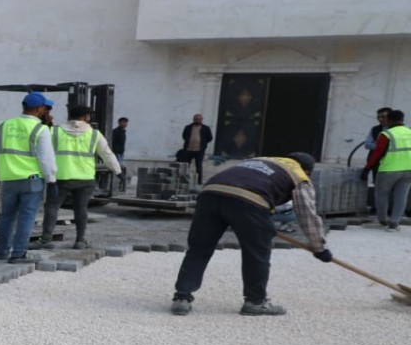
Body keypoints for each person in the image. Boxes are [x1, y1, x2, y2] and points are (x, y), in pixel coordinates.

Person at [170, 152, 331, 317]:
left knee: (199, 249)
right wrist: (320, 247)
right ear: (308, 171)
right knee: (256, 253)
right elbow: (307, 214)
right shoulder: (300, 175)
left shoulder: (259, 160)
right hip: (250, 201)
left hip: (210, 194)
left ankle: (182, 298)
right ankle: (255, 301)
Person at [0, 91, 57, 264]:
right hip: (32, 181)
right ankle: (18, 254)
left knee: (7, 216)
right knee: (27, 218)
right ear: (40, 109)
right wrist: (52, 180)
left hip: (8, 179)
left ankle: (2, 251)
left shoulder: (4, 125)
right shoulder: (41, 129)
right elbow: (46, 158)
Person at [35, 105, 121, 249]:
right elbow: (107, 154)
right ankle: (80, 240)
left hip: (60, 177)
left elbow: (41, 149)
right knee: (81, 208)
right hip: (85, 178)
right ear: (86, 117)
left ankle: (46, 239)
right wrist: (118, 171)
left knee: (52, 207)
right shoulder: (94, 134)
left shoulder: (55, 131)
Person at [362, 109, 411, 231]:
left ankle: (383, 220)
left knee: (381, 194)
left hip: (389, 169)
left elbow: (377, 153)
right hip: (408, 170)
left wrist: (367, 168)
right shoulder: (409, 132)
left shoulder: (386, 134)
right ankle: (394, 223)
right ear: (402, 120)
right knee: (401, 196)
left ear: (389, 120)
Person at [177, 113, 213, 184]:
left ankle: (199, 181)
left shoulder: (206, 128)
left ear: (201, 120)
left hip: (199, 150)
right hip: (188, 150)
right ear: (193, 119)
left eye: (199, 119)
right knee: (186, 166)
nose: (197, 120)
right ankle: (184, 180)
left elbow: (210, 138)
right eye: (196, 119)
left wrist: (203, 143)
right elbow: (184, 136)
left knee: (199, 166)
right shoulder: (188, 127)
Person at [111, 117, 129, 191]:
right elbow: (113, 143)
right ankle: (122, 181)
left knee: (120, 168)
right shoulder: (115, 132)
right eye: (123, 122)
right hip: (116, 153)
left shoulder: (123, 132)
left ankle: (121, 184)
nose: (125, 124)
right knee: (118, 169)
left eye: (126, 122)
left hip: (120, 154)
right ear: (119, 123)